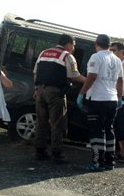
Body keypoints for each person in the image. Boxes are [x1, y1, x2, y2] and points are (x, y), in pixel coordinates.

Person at [33, 33, 86, 164]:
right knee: (57, 123)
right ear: (68, 44)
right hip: (55, 93)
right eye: (73, 45)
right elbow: (74, 76)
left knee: (41, 122)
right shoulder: (67, 56)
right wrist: (88, 81)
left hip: (40, 91)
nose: (73, 48)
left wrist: (36, 89)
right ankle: (57, 153)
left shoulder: (43, 53)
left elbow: (35, 73)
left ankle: (40, 151)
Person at [77, 34, 123, 172]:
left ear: (96, 44)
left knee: (97, 131)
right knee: (109, 129)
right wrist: (119, 97)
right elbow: (120, 81)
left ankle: (97, 162)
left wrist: (81, 93)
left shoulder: (96, 57)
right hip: (112, 99)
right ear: (109, 45)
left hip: (98, 99)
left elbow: (91, 77)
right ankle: (110, 161)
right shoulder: (117, 60)